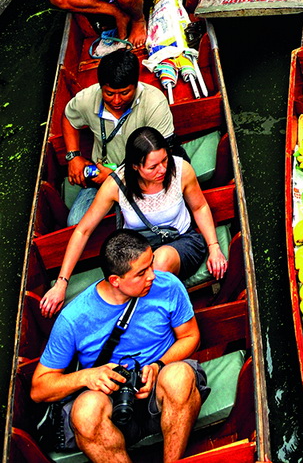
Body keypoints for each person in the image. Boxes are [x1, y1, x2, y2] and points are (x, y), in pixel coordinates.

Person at [31, 228, 208, 463]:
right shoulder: (74, 318)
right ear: (115, 280)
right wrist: (87, 377)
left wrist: (157, 365)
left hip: (165, 390)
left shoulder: (168, 286)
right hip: (113, 404)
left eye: (151, 264)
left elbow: (190, 336)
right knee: (85, 412)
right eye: (142, 273)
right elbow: (39, 388)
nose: (152, 276)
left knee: (179, 376)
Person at [41, 128, 226, 319]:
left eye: (164, 160)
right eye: (153, 167)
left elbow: (200, 208)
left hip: (181, 241)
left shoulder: (181, 170)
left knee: (158, 264)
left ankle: (147, 323)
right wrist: (61, 283)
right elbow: (83, 231)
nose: (162, 169)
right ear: (135, 166)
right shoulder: (117, 184)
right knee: (122, 282)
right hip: (136, 250)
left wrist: (214, 247)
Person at [59, 48, 174, 224]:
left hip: (145, 178)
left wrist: (117, 177)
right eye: (109, 93)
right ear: (101, 87)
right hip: (100, 177)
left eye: (125, 93)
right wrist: (73, 156)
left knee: (147, 221)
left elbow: (165, 155)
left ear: (136, 84)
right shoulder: (88, 99)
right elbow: (68, 117)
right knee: (75, 223)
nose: (117, 101)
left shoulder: (155, 103)